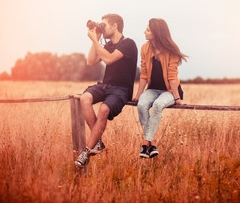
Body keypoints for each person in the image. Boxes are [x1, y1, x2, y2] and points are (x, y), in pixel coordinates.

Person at [75, 14, 138, 167]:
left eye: (104, 25)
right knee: (84, 98)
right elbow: (91, 61)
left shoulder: (128, 44)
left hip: (121, 89)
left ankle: (87, 151)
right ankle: (98, 142)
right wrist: (95, 37)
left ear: (115, 26)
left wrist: (96, 40)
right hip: (105, 85)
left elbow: (109, 59)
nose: (102, 28)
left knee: (104, 109)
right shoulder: (108, 45)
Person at [133, 18, 187, 158]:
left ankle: (145, 144)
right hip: (152, 89)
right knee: (142, 104)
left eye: (148, 30)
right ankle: (151, 146)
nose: (144, 32)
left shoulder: (171, 50)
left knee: (157, 105)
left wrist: (177, 98)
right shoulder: (145, 48)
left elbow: (172, 77)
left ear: (156, 33)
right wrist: (138, 95)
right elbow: (144, 74)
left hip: (170, 91)